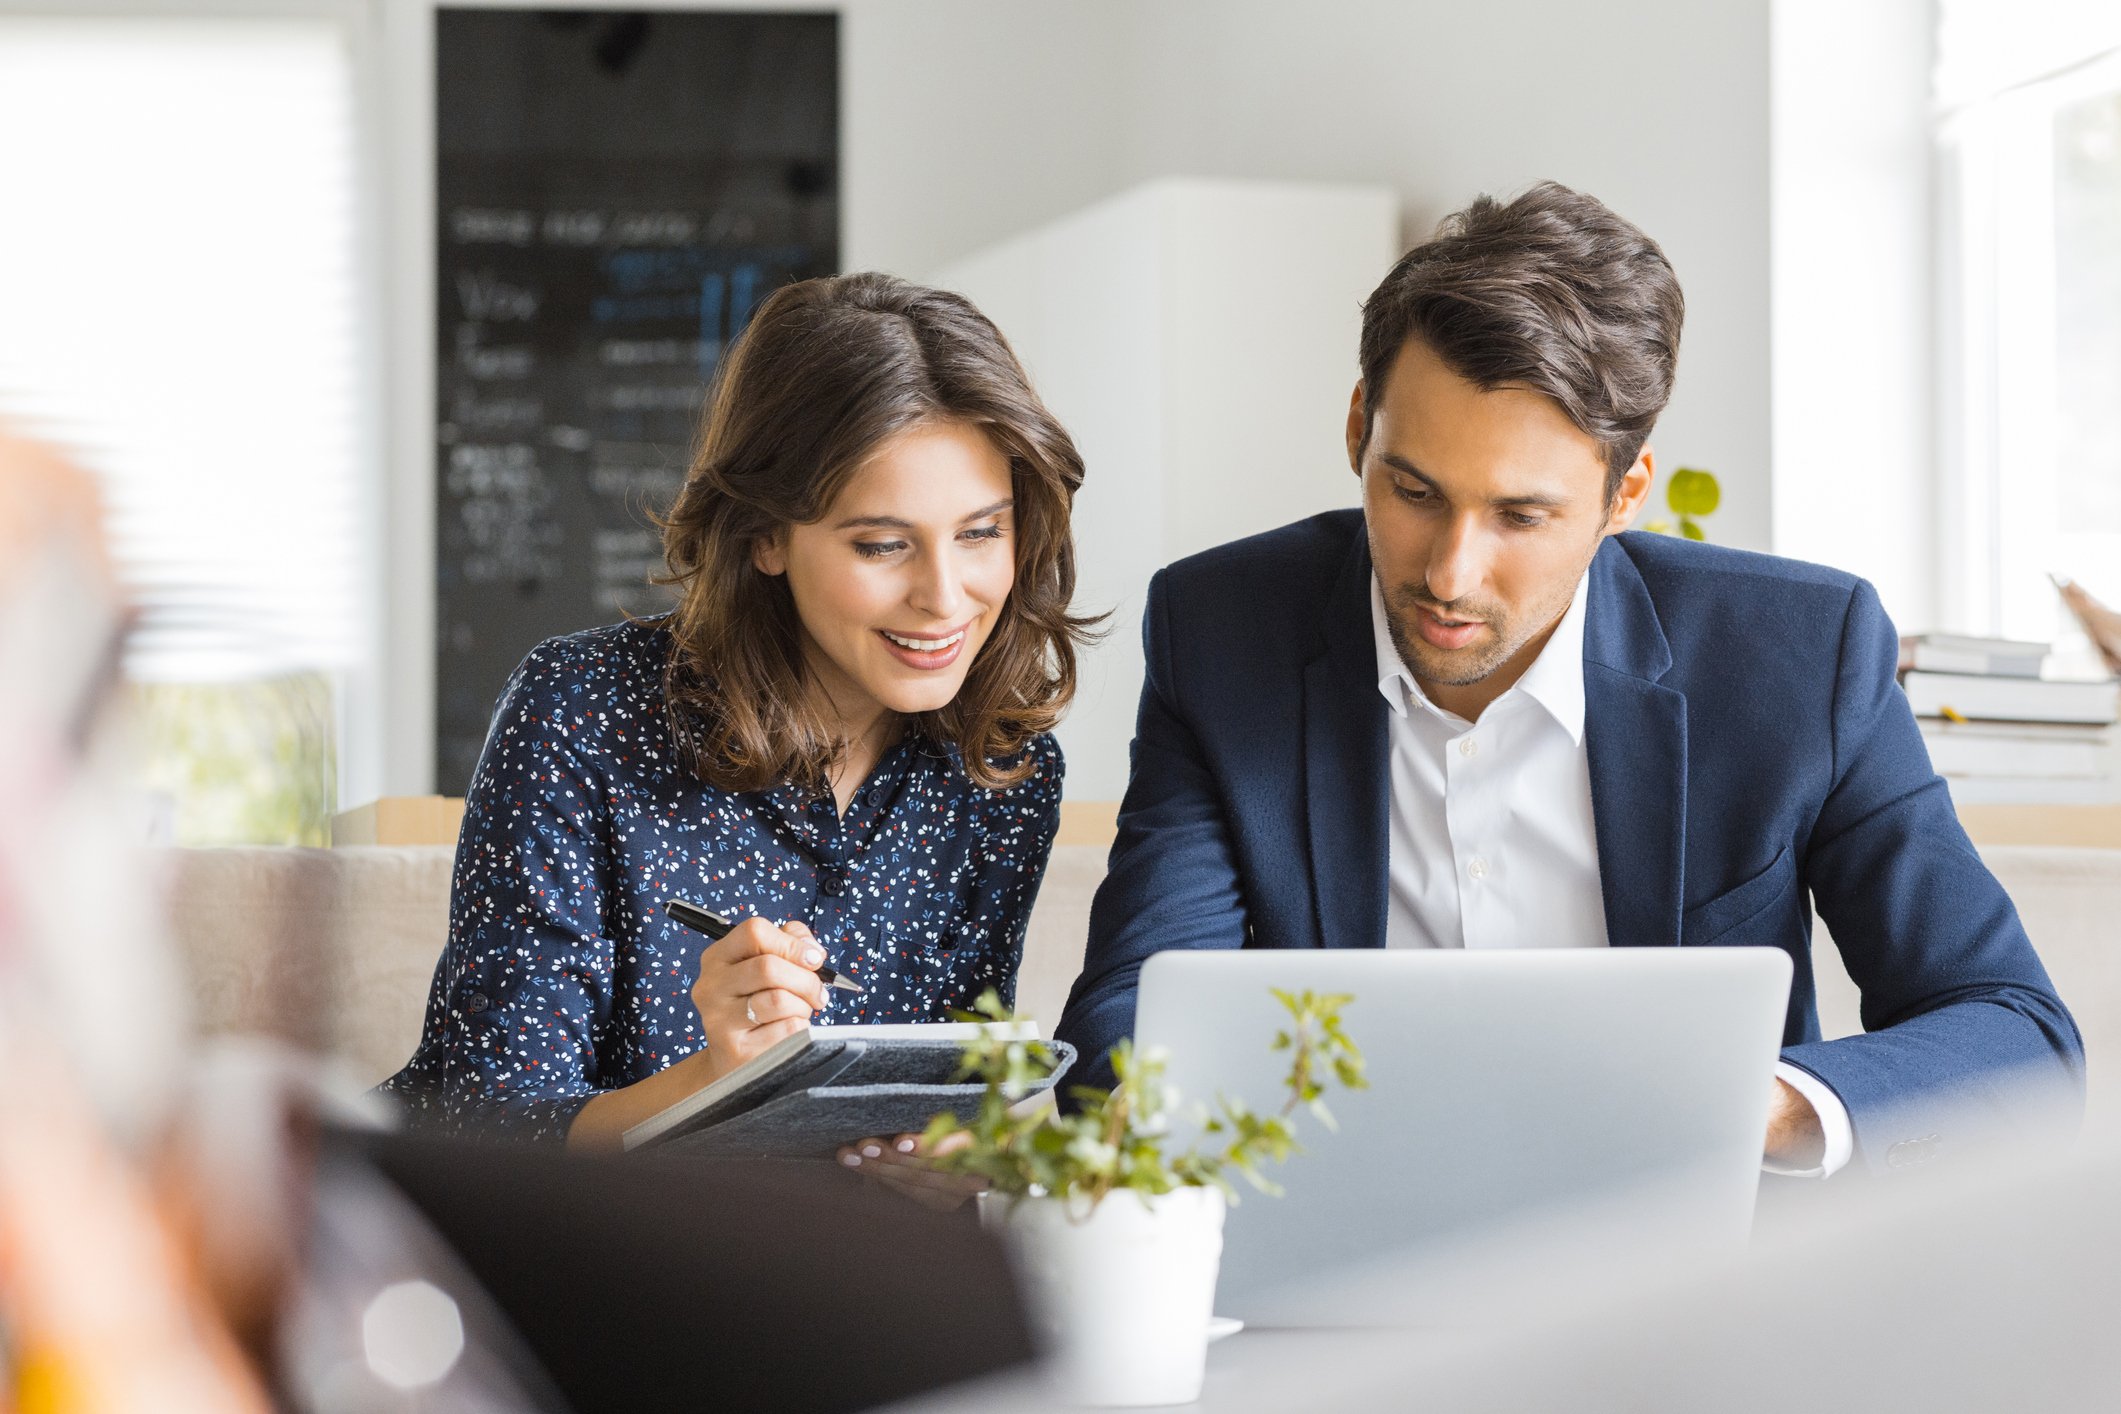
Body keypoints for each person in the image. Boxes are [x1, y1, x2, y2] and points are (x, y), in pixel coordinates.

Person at [1055, 183, 2081, 1177]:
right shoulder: (1225, 629)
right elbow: (1127, 1025)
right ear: (1360, 422)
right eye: (1413, 489)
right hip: (1334, 1268)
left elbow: (2016, 1031)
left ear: (1624, 491)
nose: (1449, 573)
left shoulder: (1800, 655)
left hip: (1689, 1279)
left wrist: (1751, 1106)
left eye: (1521, 515)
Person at [385, 273, 1098, 1162]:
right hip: (566, 1263)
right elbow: (480, 1130)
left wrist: (953, 1172)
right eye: (882, 545)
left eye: (982, 532)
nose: (945, 598)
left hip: (819, 1280)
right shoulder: (579, 715)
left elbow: (944, 1108)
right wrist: (718, 1077)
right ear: (763, 536)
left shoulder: (1003, 773)